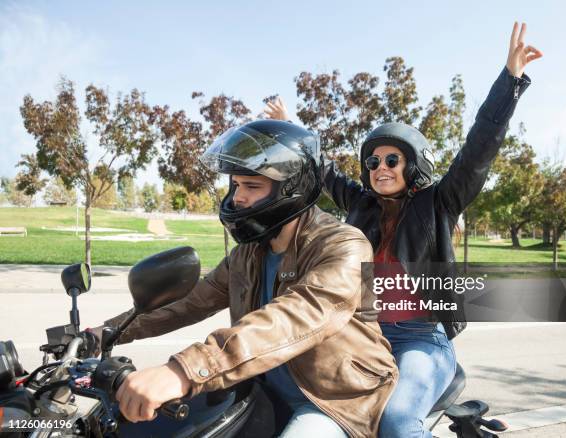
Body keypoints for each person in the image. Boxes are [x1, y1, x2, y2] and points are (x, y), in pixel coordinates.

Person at [264, 22, 542, 438]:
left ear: (414, 164)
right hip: (362, 336)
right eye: (373, 162)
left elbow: (479, 150)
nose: (380, 169)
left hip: (421, 340)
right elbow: (323, 171)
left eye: (391, 160)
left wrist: (510, 82)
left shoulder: (439, 203)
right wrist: (293, 128)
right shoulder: (361, 206)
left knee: (396, 421)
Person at [92, 120, 398, 438]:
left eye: (252, 187)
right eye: (236, 185)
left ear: (292, 188)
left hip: (336, 399)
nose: (238, 198)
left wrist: (185, 370)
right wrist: (105, 332)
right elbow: (191, 302)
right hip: (263, 386)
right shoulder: (249, 253)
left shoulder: (344, 245)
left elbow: (297, 316)